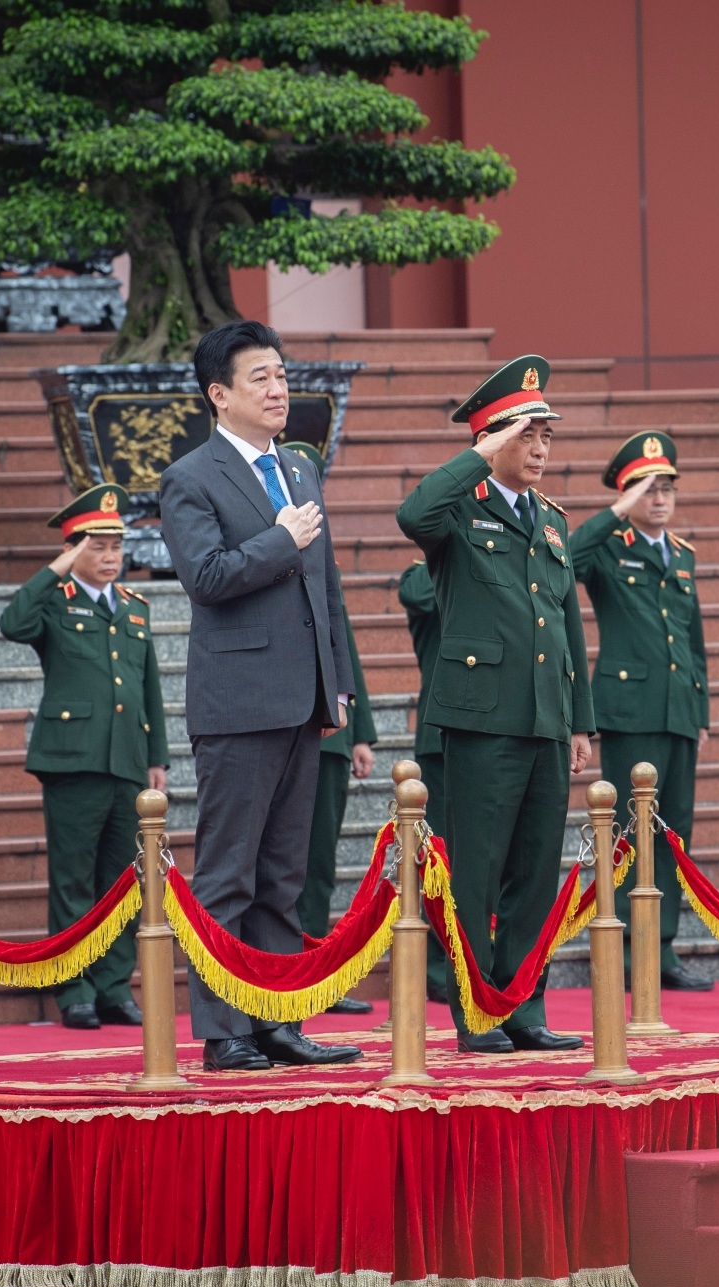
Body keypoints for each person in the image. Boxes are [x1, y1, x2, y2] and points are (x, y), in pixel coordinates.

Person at [159, 320, 362, 1072]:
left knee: (284, 875)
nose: (278, 389)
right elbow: (206, 578)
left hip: (304, 697)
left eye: (281, 374)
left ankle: (279, 1019)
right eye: (259, 378)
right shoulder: (192, 477)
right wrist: (280, 538)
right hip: (239, 702)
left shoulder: (301, 470)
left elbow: (328, 592)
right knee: (227, 873)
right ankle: (224, 1031)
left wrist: (338, 683)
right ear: (219, 394)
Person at [395, 356, 594, 1053]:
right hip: (480, 720)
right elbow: (412, 513)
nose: (540, 449)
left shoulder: (554, 520)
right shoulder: (457, 513)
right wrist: (474, 455)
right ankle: (476, 1010)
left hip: (544, 718)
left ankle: (523, 1007)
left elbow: (567, 626)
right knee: (475, 874)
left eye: (547, 437)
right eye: (526, 435)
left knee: (535, 872)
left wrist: (581, 720)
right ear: (489, 437)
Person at [0, 484, 168, 1030]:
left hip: (127, 759)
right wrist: (59, 567)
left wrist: (157, 758)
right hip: (72, 762)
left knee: (123, 883)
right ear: (73, 551)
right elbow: (12, 623)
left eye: (117, 546)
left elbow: (150, 690)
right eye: (98, 546)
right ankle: (74, 987)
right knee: (73, 881)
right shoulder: (54, 602)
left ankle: (115, 985)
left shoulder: (135, 610)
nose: (112, 556)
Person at [569, 431, 713, 991]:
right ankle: (627, 946)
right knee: (634, 833)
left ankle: (663, 947)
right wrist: (616, 512)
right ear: (627, 494)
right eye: (648, 489)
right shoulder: (607, 546)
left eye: (667, 488)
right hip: (630, 710)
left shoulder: (682, 555)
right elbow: (568, 557)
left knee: (675, 834)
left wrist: (700, 708)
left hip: (678, 709)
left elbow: (692, 638)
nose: (659, 498)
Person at [287, 442, 377, 1017]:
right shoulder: (276, 544)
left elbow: (343, 645)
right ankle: (284, 974)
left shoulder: (325, 556)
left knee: (320, 863)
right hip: (288, 722)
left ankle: (320, 973)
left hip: (333, 734)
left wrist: (361, 728)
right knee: (282, 865)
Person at [397, 558, 457, 1006]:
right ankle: (439, 962)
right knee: (440, 857)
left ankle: (476, 955)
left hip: (497, 732)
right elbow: (417, 595)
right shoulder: (423, 571)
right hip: (442, 738)